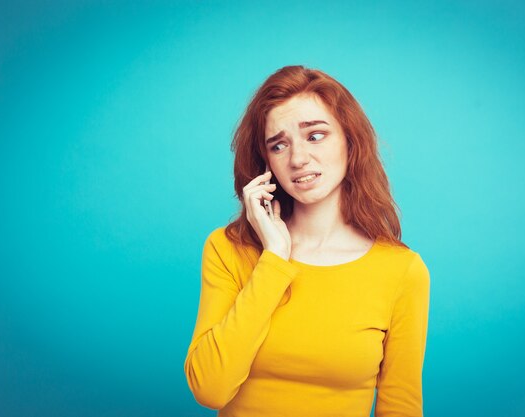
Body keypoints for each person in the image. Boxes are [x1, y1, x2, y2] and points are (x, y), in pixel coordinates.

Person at [184, 65, 430, 417]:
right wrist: (275, 258)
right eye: (279, 145)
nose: (298, 159)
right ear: (265, 163)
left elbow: (401, 407)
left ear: (350, 139)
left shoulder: (401, 271)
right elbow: (210, 389)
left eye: (315, 135)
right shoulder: (228, 249)